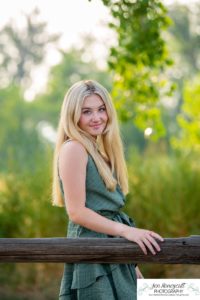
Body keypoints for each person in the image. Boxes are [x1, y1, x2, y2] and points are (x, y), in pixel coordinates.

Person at [52, 79, 164, 300]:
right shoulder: (74, 148)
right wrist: (128, 231)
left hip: (112, 245)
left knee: (176, 293)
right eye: (87, 112)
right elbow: (76, 212)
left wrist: (130, 263)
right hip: (92, 247)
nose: (97, 117)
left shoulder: (99, 151)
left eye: (101, 109)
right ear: (73, 115)